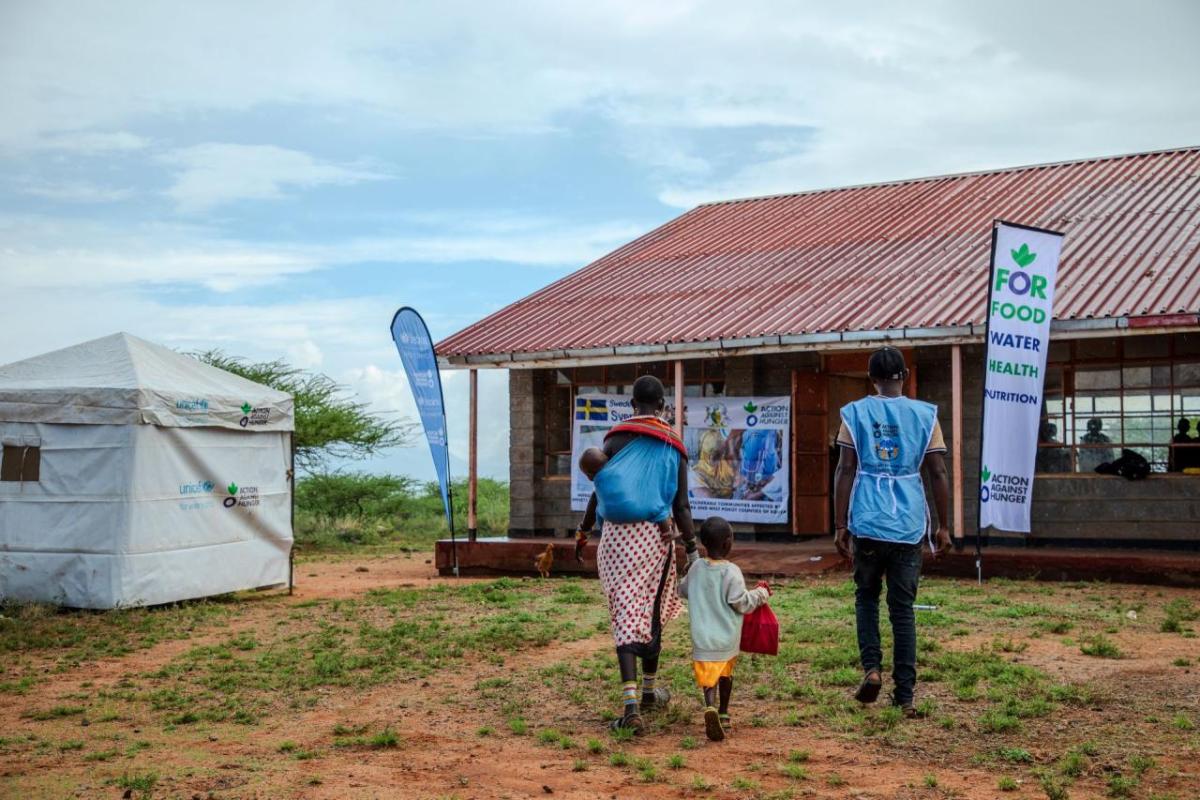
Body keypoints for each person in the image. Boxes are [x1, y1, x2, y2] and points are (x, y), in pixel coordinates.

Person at [832, 347, 951, 717]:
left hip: (868, 519)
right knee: (903, 610)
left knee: (866, 597)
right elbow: (937, 473)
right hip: (908, 523)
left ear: (872, 379)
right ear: (905, 376)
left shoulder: (854, 413)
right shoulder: (925, 415)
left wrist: (839, 524)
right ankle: (906, 696)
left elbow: (845, 470)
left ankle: (871, 669)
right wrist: (944, 525)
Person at [576, 375, 697, 733]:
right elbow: (682, 504)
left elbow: (601, 489)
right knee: (650, 608)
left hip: (614, 538)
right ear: (662, 406)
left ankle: (637, 700)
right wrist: (691, 546)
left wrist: (583, 531)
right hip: (652, 538)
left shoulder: (614, 437)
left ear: (632, 404)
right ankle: (639, 698)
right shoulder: (672, 443)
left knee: (624, 612)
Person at [677, 516, 769, 742]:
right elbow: (742, 602)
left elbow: (682, 590)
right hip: (726, 639)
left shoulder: (697, 568)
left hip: (702, 640)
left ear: (704, 544)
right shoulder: (731, 571)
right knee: (726, 675)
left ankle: (710, 707)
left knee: (709, 679)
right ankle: (725, 713)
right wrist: (761, 594)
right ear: (728, 543)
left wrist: (687, 575)